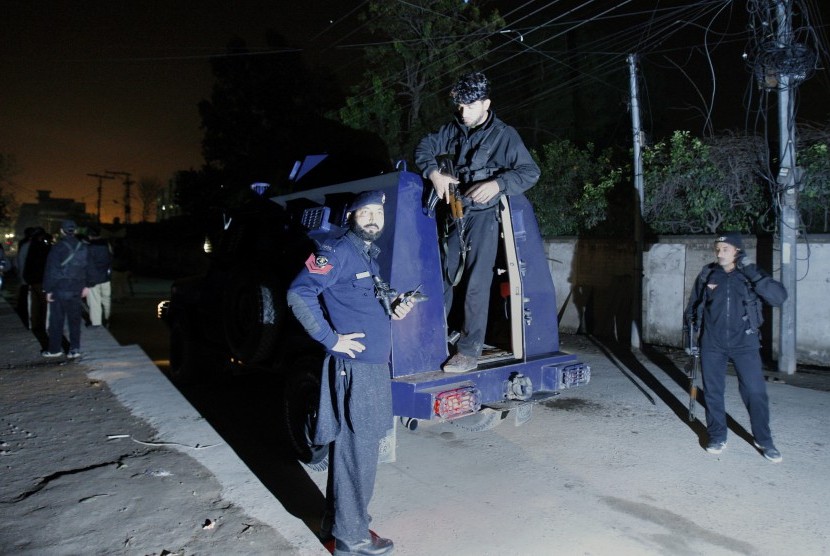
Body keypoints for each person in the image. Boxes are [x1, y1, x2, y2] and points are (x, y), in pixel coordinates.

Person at [286, 191, 415, 556]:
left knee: (353, 450)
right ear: (351, 216)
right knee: (359, 452)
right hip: (356, 370)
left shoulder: (366, 254)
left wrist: (394, 306)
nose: (374, 218)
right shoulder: (337, 250)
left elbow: (362, 298)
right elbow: (299, 294)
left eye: (379, 213)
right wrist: (331, 339)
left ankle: (337, 523)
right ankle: (352, 539)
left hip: (370, 369)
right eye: (366, 212)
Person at [414, 71, 541, 373]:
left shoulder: (504, 135)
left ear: (486, 104)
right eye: (460, 106)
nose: (463, 112)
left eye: (469, 106)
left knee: (476, 282)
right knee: (445, 277)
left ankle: (468, 351)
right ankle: (435, 339)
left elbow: (530, 172)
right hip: (455, 211)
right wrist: (433, 172)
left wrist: (499, 184)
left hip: (484, 216)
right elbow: (423, 148)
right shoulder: (453, 129)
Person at [684, 232, 788, 463]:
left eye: (725, 249)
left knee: (755, 392)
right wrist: (690, 342)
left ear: (737, 251)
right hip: (712, 343)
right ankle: (717, 436)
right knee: (713, 392)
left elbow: (778, 298)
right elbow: (692, 309)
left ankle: (764, 440)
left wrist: (751, 270)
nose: (720, 253)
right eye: (718, 249)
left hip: (745, 343)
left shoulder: (750, 273)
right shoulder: (708, 274)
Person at [41, 220, 92, 359]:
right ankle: (74, 349)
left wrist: (48, 289)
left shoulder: (57, 248)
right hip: (77, 288)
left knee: (56, 321)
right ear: (75, 231)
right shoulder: (83, 247)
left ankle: (54, 349)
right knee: (75, 321)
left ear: (62, 231)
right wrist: (87, 285)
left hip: (59, 288)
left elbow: (51, 270)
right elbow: (88, 268)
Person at [85, 226, 113, 327]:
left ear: (89, 235)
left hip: (94, 279)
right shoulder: (107, 245)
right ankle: (107, 318)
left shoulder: (89, 247)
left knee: (95, 302)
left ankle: (97, 324)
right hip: (106, 277)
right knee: (106, 299)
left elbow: (87, 264)